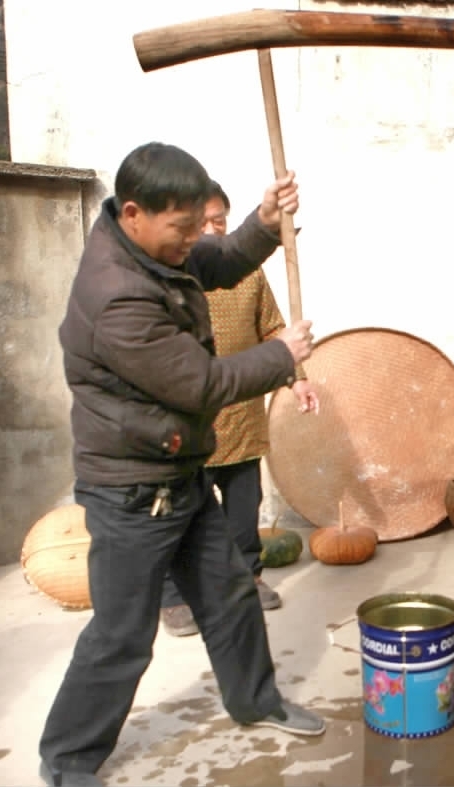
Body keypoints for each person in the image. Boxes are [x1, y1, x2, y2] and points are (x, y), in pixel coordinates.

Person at [39, 142, 325, 787]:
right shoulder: (117, 294)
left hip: (179, 471)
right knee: (122, 635)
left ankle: (257, 702)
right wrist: (280, 355)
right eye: (183, 228)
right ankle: (68, 759)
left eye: (199, 224)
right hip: (131, 488)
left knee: (230, 597)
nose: (193, 239)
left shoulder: (153, 247)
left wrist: (262, 220)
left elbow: (219, 260)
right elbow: (198, 384)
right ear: (135, 212)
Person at [159, 179, 319, 637]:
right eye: (203, 222)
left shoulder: (247, 274)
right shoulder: (174, 278)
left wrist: (297, 379)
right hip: (193, 423)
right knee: (182, 516)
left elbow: (274, 332)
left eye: (220, 221)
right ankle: (174, 597)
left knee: (242, 511)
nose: (213, 229)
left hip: (244, 418)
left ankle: (247, 578)